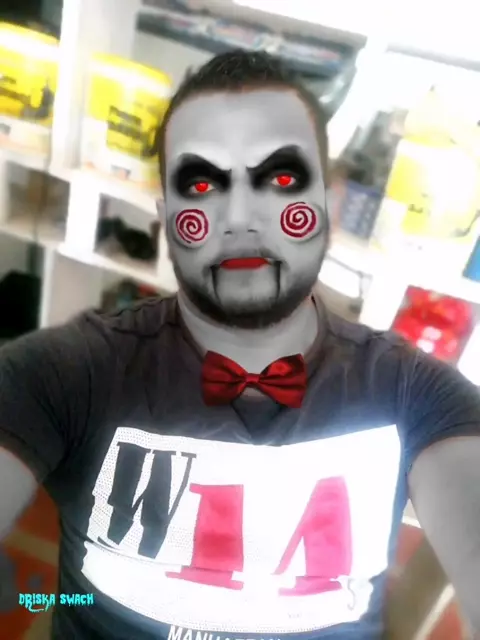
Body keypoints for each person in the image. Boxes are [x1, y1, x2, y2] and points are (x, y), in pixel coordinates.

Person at [1, 50, 480, 640]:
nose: (241, 217)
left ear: (328, 206)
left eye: (281, 179)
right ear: (167, 217)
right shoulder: (71, 369)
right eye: (202, 184)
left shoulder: (415, 392)